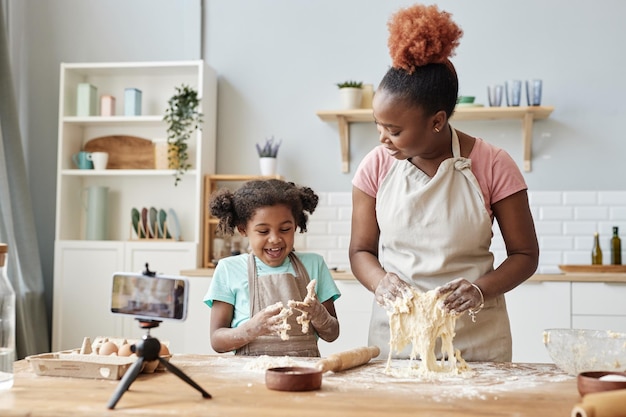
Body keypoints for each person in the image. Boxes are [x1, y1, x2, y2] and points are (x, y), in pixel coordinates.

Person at [349, 4, 539, 362]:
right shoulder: (375, 167)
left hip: (475, 342)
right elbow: (360, 252)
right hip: (398, 342)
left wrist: (480, 291)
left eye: (394, 130)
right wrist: (380, 281)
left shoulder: (493, 164)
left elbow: (526, 256)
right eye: (378, 125)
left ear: (437, 122)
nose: (382, 139)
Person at [203, 179, 341, 357]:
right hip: (248, 376)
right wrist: (250, 329)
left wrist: (319, 315)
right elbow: (217, 341)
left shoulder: (314, 264)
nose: (275, 238)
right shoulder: (229, 269)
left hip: (303, 373)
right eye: (263, 231)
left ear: (296, 225)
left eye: (285, 229)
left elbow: (332, 334)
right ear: (243, 229)